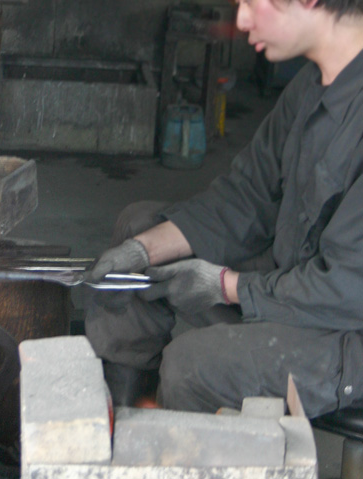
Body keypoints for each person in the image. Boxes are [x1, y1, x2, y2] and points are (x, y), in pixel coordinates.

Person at [84, 0, 363, 418]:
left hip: (346, 331)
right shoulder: (312, 86)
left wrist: (227, 286)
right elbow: (246, 195)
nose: (243, 20)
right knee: (137, 228)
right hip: (293, 283)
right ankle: (119, 429)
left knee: (191, 367)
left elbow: (346, 287)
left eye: (251, 2)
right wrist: (144, 249)